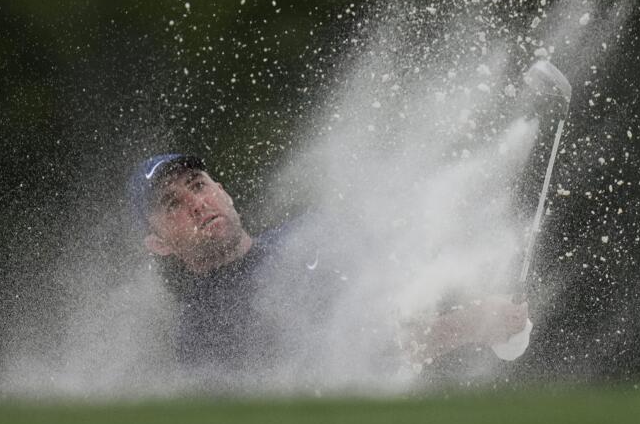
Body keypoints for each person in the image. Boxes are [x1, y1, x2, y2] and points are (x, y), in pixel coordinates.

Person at [128, 152, 530, 381]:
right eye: (172, 205)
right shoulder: (204, 324)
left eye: (198, 185)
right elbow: (347, 364)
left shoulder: (308, 233)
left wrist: (480, 306)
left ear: (223, 192)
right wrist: (468, 325)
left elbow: (402, 286)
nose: (197, 204)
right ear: (159, 244)